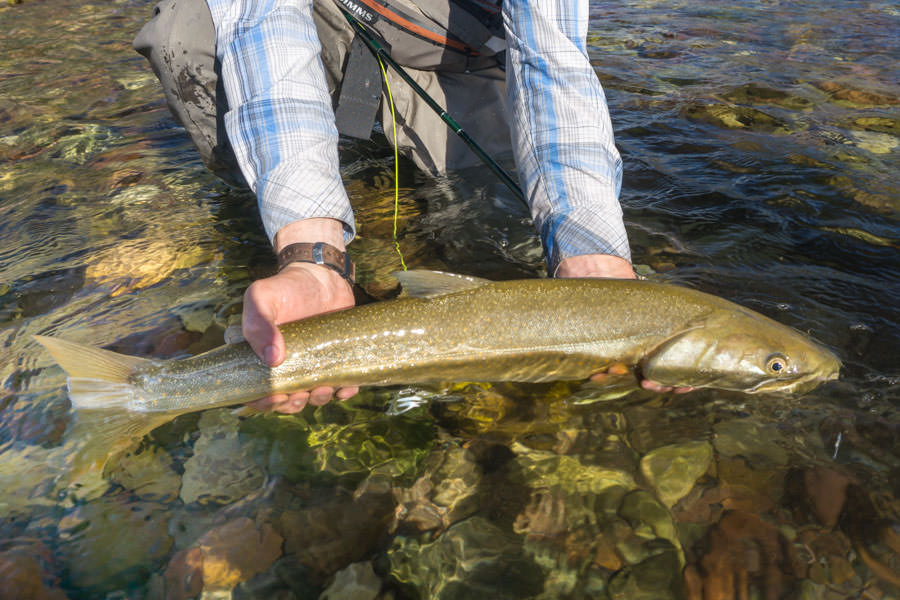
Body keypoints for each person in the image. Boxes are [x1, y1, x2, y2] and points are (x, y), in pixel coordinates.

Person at [134, 0, 681, 413]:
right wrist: (311, 252)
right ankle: (267, 220)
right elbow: (262, 24)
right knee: (184, 34)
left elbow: (551, 58)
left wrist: (592, 255)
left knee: (484, 220)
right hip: (322, 14)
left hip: (455, 47)